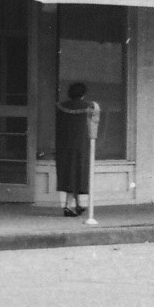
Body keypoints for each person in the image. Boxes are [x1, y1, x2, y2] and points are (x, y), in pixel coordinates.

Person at [56, 82, 100, 217]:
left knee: (69, 172)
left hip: (64, 144)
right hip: (81, 144)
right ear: (83, 93)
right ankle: (68, 206)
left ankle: (78, 204)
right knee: (76, 173)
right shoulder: (89, 106)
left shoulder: (61, 106)